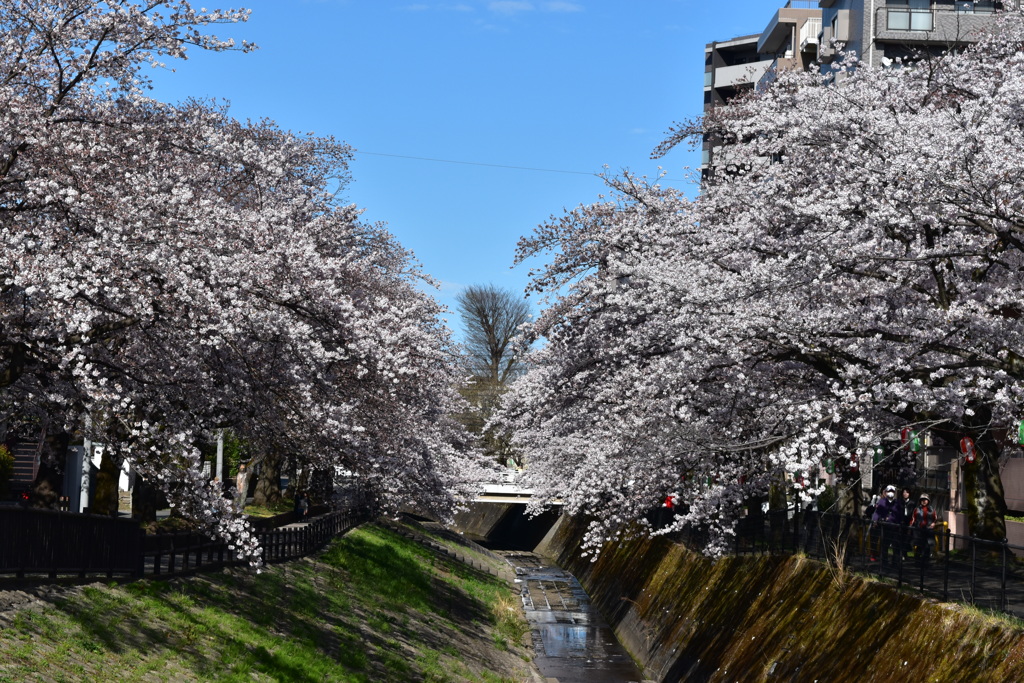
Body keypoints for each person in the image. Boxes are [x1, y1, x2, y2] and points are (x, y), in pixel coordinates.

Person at [871, 484, 904, 565]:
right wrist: (875, 521)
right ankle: (884, 562)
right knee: (884, 545)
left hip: (895, 527)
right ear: (886, 492)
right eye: (889, 491)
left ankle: (895, 562)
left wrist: (899, 522)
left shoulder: (897, 503)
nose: (891, 493)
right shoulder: (882, 501)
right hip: (885, 527)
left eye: (892, 491)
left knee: (895, 545)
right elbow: (877, 512)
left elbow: (900, 514)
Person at [908, 493, 938, 567]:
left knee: (927, 547)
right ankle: (917, 562)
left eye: (925, 500)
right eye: (922, 500)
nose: (924, 501)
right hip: (919, 531)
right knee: (919, 547)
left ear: (928, 501)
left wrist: (934, 524)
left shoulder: (932, 509)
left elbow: (935, 519)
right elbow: (913, 519)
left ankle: (926, 562)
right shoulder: (917, 509)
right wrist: (910, 528)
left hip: (928, 531)